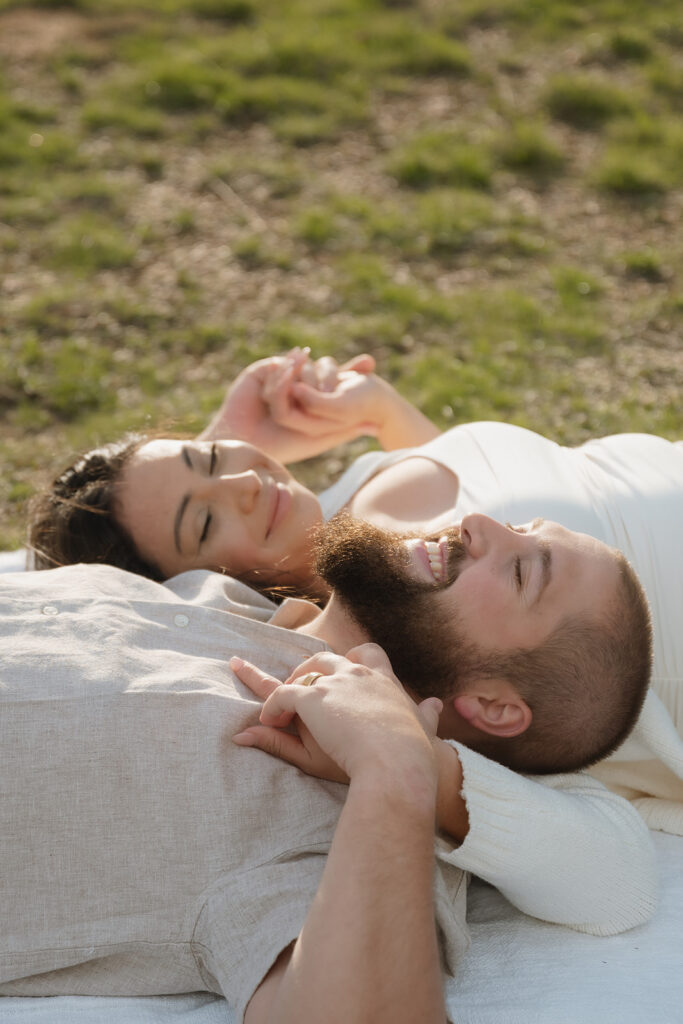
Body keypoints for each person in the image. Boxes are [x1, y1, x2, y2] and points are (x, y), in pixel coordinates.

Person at [25, 350, 682, 923]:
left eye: (213, 456)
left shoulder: (381, 552)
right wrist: (405, 759)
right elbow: (608, 875)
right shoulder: (419, 657)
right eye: (201, 522)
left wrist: (371, 418)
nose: (247, 480)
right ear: (201, 586)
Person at [0, 509, 651, 1018]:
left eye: (520, 571)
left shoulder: (330, 837)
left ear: (492, 705)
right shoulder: (219, 596)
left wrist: (393, 770)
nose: (477, 522)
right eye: (515, 527)